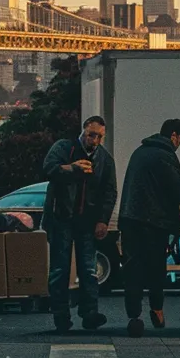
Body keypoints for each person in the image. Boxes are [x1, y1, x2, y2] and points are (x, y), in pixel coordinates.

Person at [117, 119, 180, 338]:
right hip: (153, 222)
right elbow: (179, 190)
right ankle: (157, 309)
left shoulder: (139, 152)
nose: (179, 144)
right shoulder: (165, 156)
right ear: (174, 135)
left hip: (130, 219)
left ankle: (134, 316)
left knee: (132, 268)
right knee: (155, 268)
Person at [41, 115, 118, 333]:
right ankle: (61, 316)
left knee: (88, 269)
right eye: (91, 135)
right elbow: (48, 168)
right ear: (83, 131)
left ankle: (89, 313)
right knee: (59, 269)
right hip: (61, 217)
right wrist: (71, 168)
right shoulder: (64, 148)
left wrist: (103, 220)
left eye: (99, 137)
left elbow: (110, 191)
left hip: (87, 221)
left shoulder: (104, 159)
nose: (95, 141)